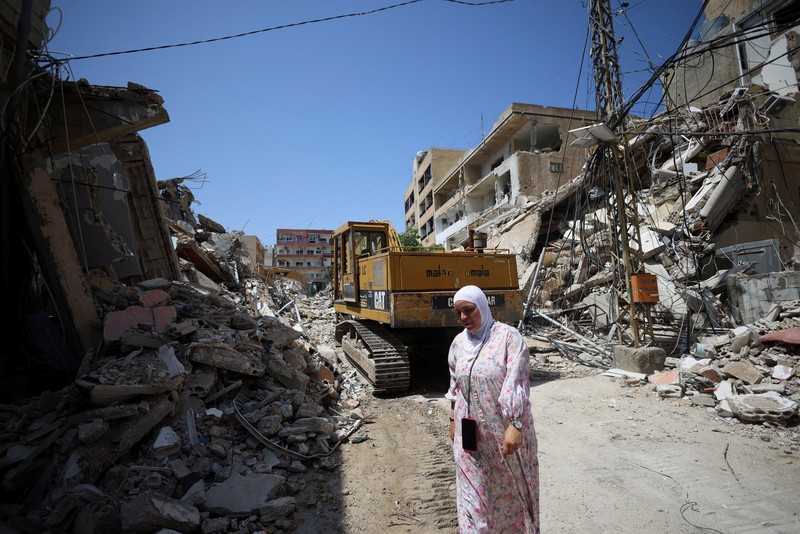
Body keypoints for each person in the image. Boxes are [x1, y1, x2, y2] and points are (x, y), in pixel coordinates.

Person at [446, 285, 540, 533]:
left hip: (504, 437)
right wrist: (453, 417)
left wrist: (516, 424)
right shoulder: (458, 343)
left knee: (509, 498)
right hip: (470, 440)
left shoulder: (508, 339)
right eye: (459, 313)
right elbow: (455, 382)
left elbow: (516, 382)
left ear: (483, 307)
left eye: (469, 310)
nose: (464, 317)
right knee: (473, 501)